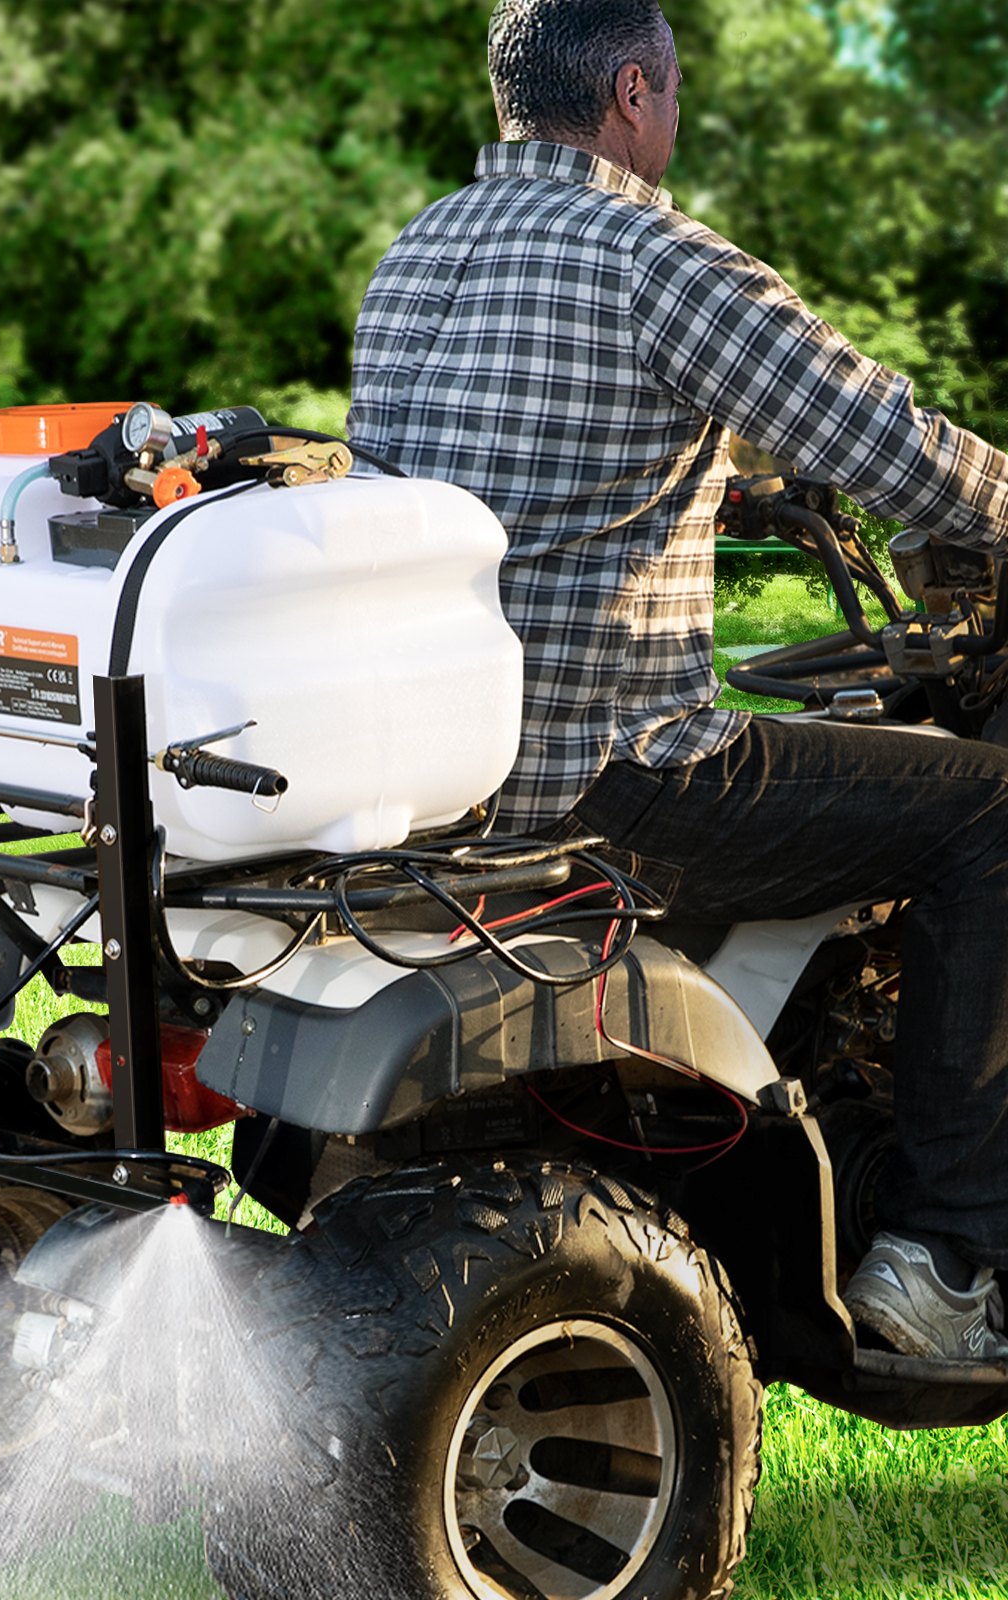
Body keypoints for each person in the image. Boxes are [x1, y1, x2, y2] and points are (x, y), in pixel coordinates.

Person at [349, 0, 1008, 1366]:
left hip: (440, 765)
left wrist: (735, 486)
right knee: (988, 808)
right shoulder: (659, 259)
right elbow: (892, 445)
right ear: (636, 91)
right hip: (616, 773)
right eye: (676, 90)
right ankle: (951, 1259)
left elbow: (526, 473)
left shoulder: (419, 252)